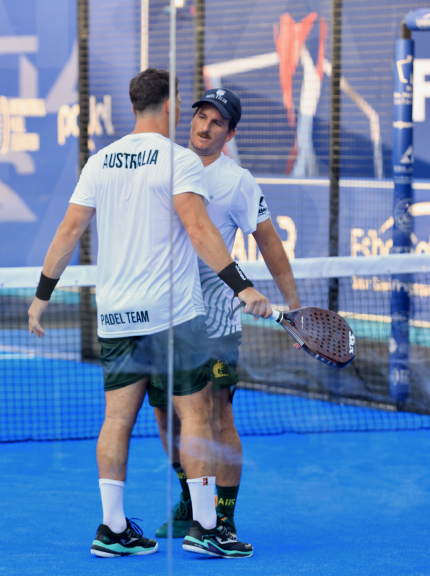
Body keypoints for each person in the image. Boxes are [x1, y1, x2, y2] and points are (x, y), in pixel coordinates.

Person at [28, 69, 272, 559]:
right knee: (195, 415)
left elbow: (68, 231)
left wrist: (41, 297)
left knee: (117, 419)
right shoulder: (179, 160)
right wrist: (242, 287)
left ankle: (112, 528)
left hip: (116, 316)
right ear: (170, 105)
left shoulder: (100, 162)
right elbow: (200, 230)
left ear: (134, 105)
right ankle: (206, 527)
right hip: (173, 317)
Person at [153, 88, 301, 540]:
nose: (205, 126)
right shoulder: (163, 165)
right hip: (161, 313)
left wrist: (295, 307)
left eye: (217, 122)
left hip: (215, 319)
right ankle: (191, 499)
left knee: (217, 416)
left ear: (230, 134)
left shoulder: (238, 181)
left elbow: (269, 243)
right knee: (167, 416)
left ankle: (224, 515)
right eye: (201, 116)